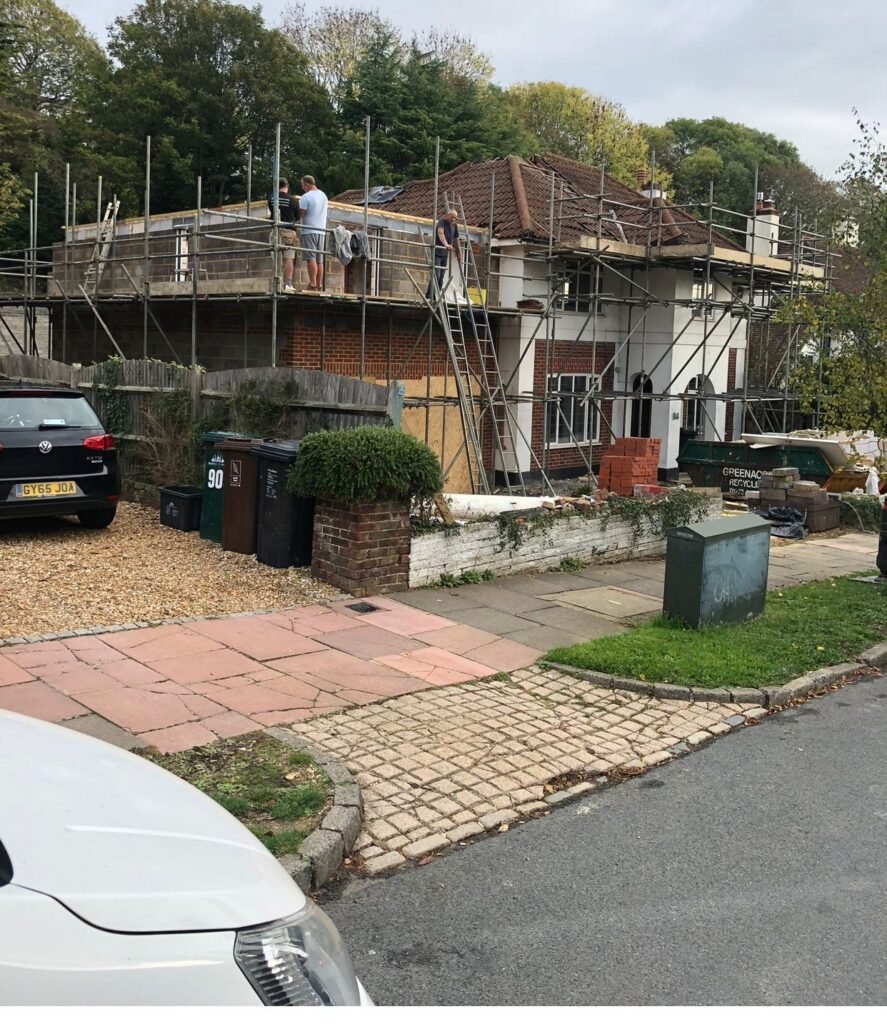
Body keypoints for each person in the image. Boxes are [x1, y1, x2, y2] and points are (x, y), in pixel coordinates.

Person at [268, 177, 299, 292]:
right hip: (289, 231)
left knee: (276, 258)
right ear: (287, 186)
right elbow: (297, 217)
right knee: (289, 258)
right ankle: (288, 284)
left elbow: (271, 211)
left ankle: (276, 283)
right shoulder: (293, 200)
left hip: (275, 230)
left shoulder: (271, 198)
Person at [298, 175, 329, 290]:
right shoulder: (323, 195)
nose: (303, 188)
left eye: (303, 185)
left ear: (306, 184)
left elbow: (301, 214)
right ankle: (319, 284)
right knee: (319, 260)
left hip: (309, 230)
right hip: (321, 231)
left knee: (310, 258)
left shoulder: (306, 197)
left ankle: (312, 284)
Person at [427, 209, 462, 299]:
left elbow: (456, 240)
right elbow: (440, 233)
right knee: (437, 275)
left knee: (441, 277)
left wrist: (459, 254)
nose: (453, 219)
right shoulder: (441, 223)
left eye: (455, 218)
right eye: (452, 217)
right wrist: (446, 244)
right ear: (447, 216)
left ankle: (437, 296)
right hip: (437, 253)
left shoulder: (455, 226)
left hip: (444, 254)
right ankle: (429, 295)